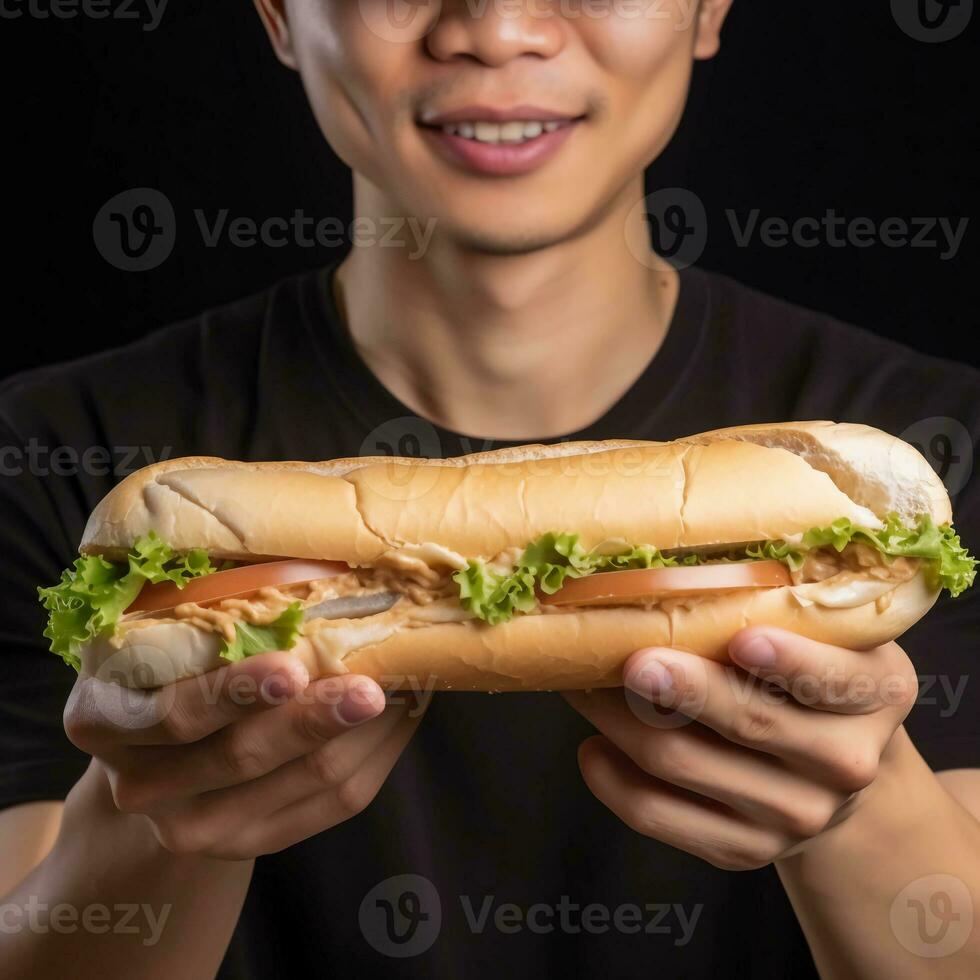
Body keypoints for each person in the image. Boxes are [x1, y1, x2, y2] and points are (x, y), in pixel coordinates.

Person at [1, 1, 978, 977]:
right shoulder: (53, 452)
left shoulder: (934, 442)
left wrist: (859, 806)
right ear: (278, 17)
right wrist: (155, 824)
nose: (498, 27)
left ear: (707, 7)